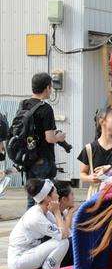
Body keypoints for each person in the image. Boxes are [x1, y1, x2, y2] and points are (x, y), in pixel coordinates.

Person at [17, 73, 70, 206]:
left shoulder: (23, 105)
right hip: (42, 161)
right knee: (46, 199)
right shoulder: (45, 109)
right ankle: (42, 225)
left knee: (32, 197)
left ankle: (29, 225)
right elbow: (50, 138)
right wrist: (60, 137)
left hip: (28, 158)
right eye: (50, 87)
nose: (51, 90)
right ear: (47, 88)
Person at [7, 178, 71, 269]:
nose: (58, 196)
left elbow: (67, 232)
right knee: (62, 242)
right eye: (56, 193)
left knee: (64, 240)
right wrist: (57, 212)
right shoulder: (35, 217)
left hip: (29, 257)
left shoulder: (46, 213)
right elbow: (64, 235)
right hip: (19, 261)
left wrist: (59, 213)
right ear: (47, 198)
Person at [77, 105, 112, 192]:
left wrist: (110, 168)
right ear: (102, 121)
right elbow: (82, 173)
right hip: (96, 194)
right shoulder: (89, 148)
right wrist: (89, 178)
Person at [55, 180, 77, 267]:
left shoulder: (63, 211)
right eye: (72, 194)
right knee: (72, 242)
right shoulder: (53, 213)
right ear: (64, 199)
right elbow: (66, 234)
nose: (74, 197)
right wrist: (70, 213)